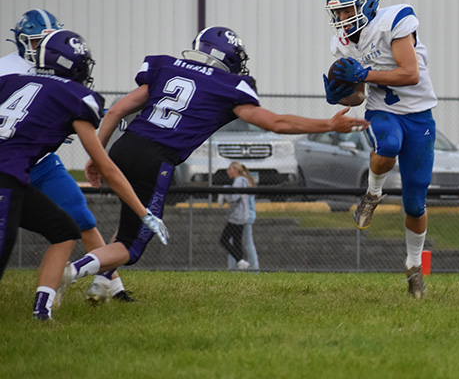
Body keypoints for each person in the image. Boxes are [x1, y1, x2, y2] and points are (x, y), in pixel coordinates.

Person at [58, 26, 368, 296]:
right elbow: (276, 123)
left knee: (129, 223)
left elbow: (115, 111)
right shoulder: (227, 86)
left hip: (123, 147)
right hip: (155, 160)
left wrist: (97, 156)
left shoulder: (166, 67)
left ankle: (102, 285)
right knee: (132, 245)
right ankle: (72, 272)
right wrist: (329, 124)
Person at [0, 29, 167, 320]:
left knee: (64, 230)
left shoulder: (9, 81)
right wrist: (143, 212)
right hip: (5, 178)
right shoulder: (74, 95)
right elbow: (106, 166)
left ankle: (42, 313)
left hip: (14, 177)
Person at [323, 0, 437, 299]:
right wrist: (339, 96)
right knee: (388, 144)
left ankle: (413, 265)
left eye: (348, 10)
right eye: (338, 12)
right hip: (383, 110)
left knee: (415, 203)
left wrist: (364, 72)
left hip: (419, 115)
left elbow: (410, 74)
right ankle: (372, 195)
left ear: (367, 4)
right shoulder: (343, 43)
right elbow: (359, 95)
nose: (342, 18)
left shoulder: (394, 20)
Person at [219, 162, 258, 271]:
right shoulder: (243, 181)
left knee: (224, 240)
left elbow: (234, 198)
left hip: (238, 216)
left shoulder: (239, 181)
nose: (228, 171)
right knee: (237, 241)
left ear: (236, 170)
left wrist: (225, 192)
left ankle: (244, 264)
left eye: (230, 169)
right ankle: (239, 265)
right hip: (243, 215)